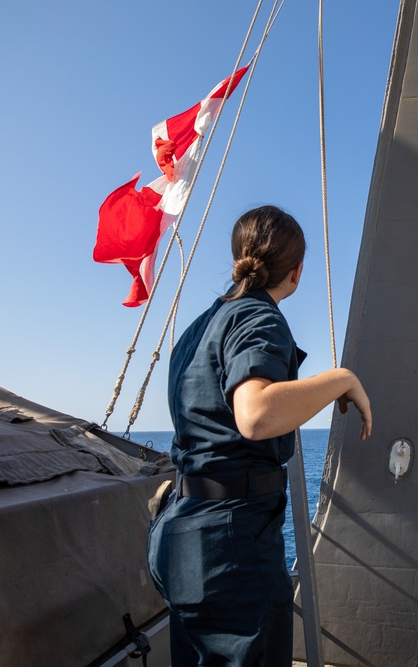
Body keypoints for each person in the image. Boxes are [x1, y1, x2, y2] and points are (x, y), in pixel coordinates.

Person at [147, 205, 373, 667]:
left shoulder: (198, 328)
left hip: (181, 538)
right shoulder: (258, 318)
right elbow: (255, 415)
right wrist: (342, 379)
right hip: (229, 551)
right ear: (297, 271)